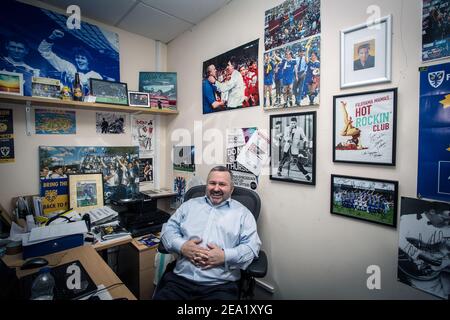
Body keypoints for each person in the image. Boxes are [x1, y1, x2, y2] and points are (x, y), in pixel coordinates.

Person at [154, 166, 261, 300]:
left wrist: (225, 256)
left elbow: (251, 248)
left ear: (231, 189)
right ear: (206, 185)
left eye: (222, 184)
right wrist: (182, 246)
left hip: (220, 286)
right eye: (212, 183)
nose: (216, 188)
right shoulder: (189, 205)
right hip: (179, 281)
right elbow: (168, 230)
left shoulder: (243, 214)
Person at [398, 208, 450, 299]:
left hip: (440, 272)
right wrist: (420, 255)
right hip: (420, 277)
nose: (447, 223)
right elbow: (398, 240)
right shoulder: (408, 220)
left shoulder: (446, 227)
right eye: (444, 219)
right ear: (432, 211)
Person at [38, 29, 103, 94]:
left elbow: (100, 95)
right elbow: (45, 52)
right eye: (77, 57)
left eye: (83, 58)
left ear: (88, 61)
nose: (79, 60)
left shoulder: (95, 76)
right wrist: (52, 37)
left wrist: (86, 85)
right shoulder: (69, 67)